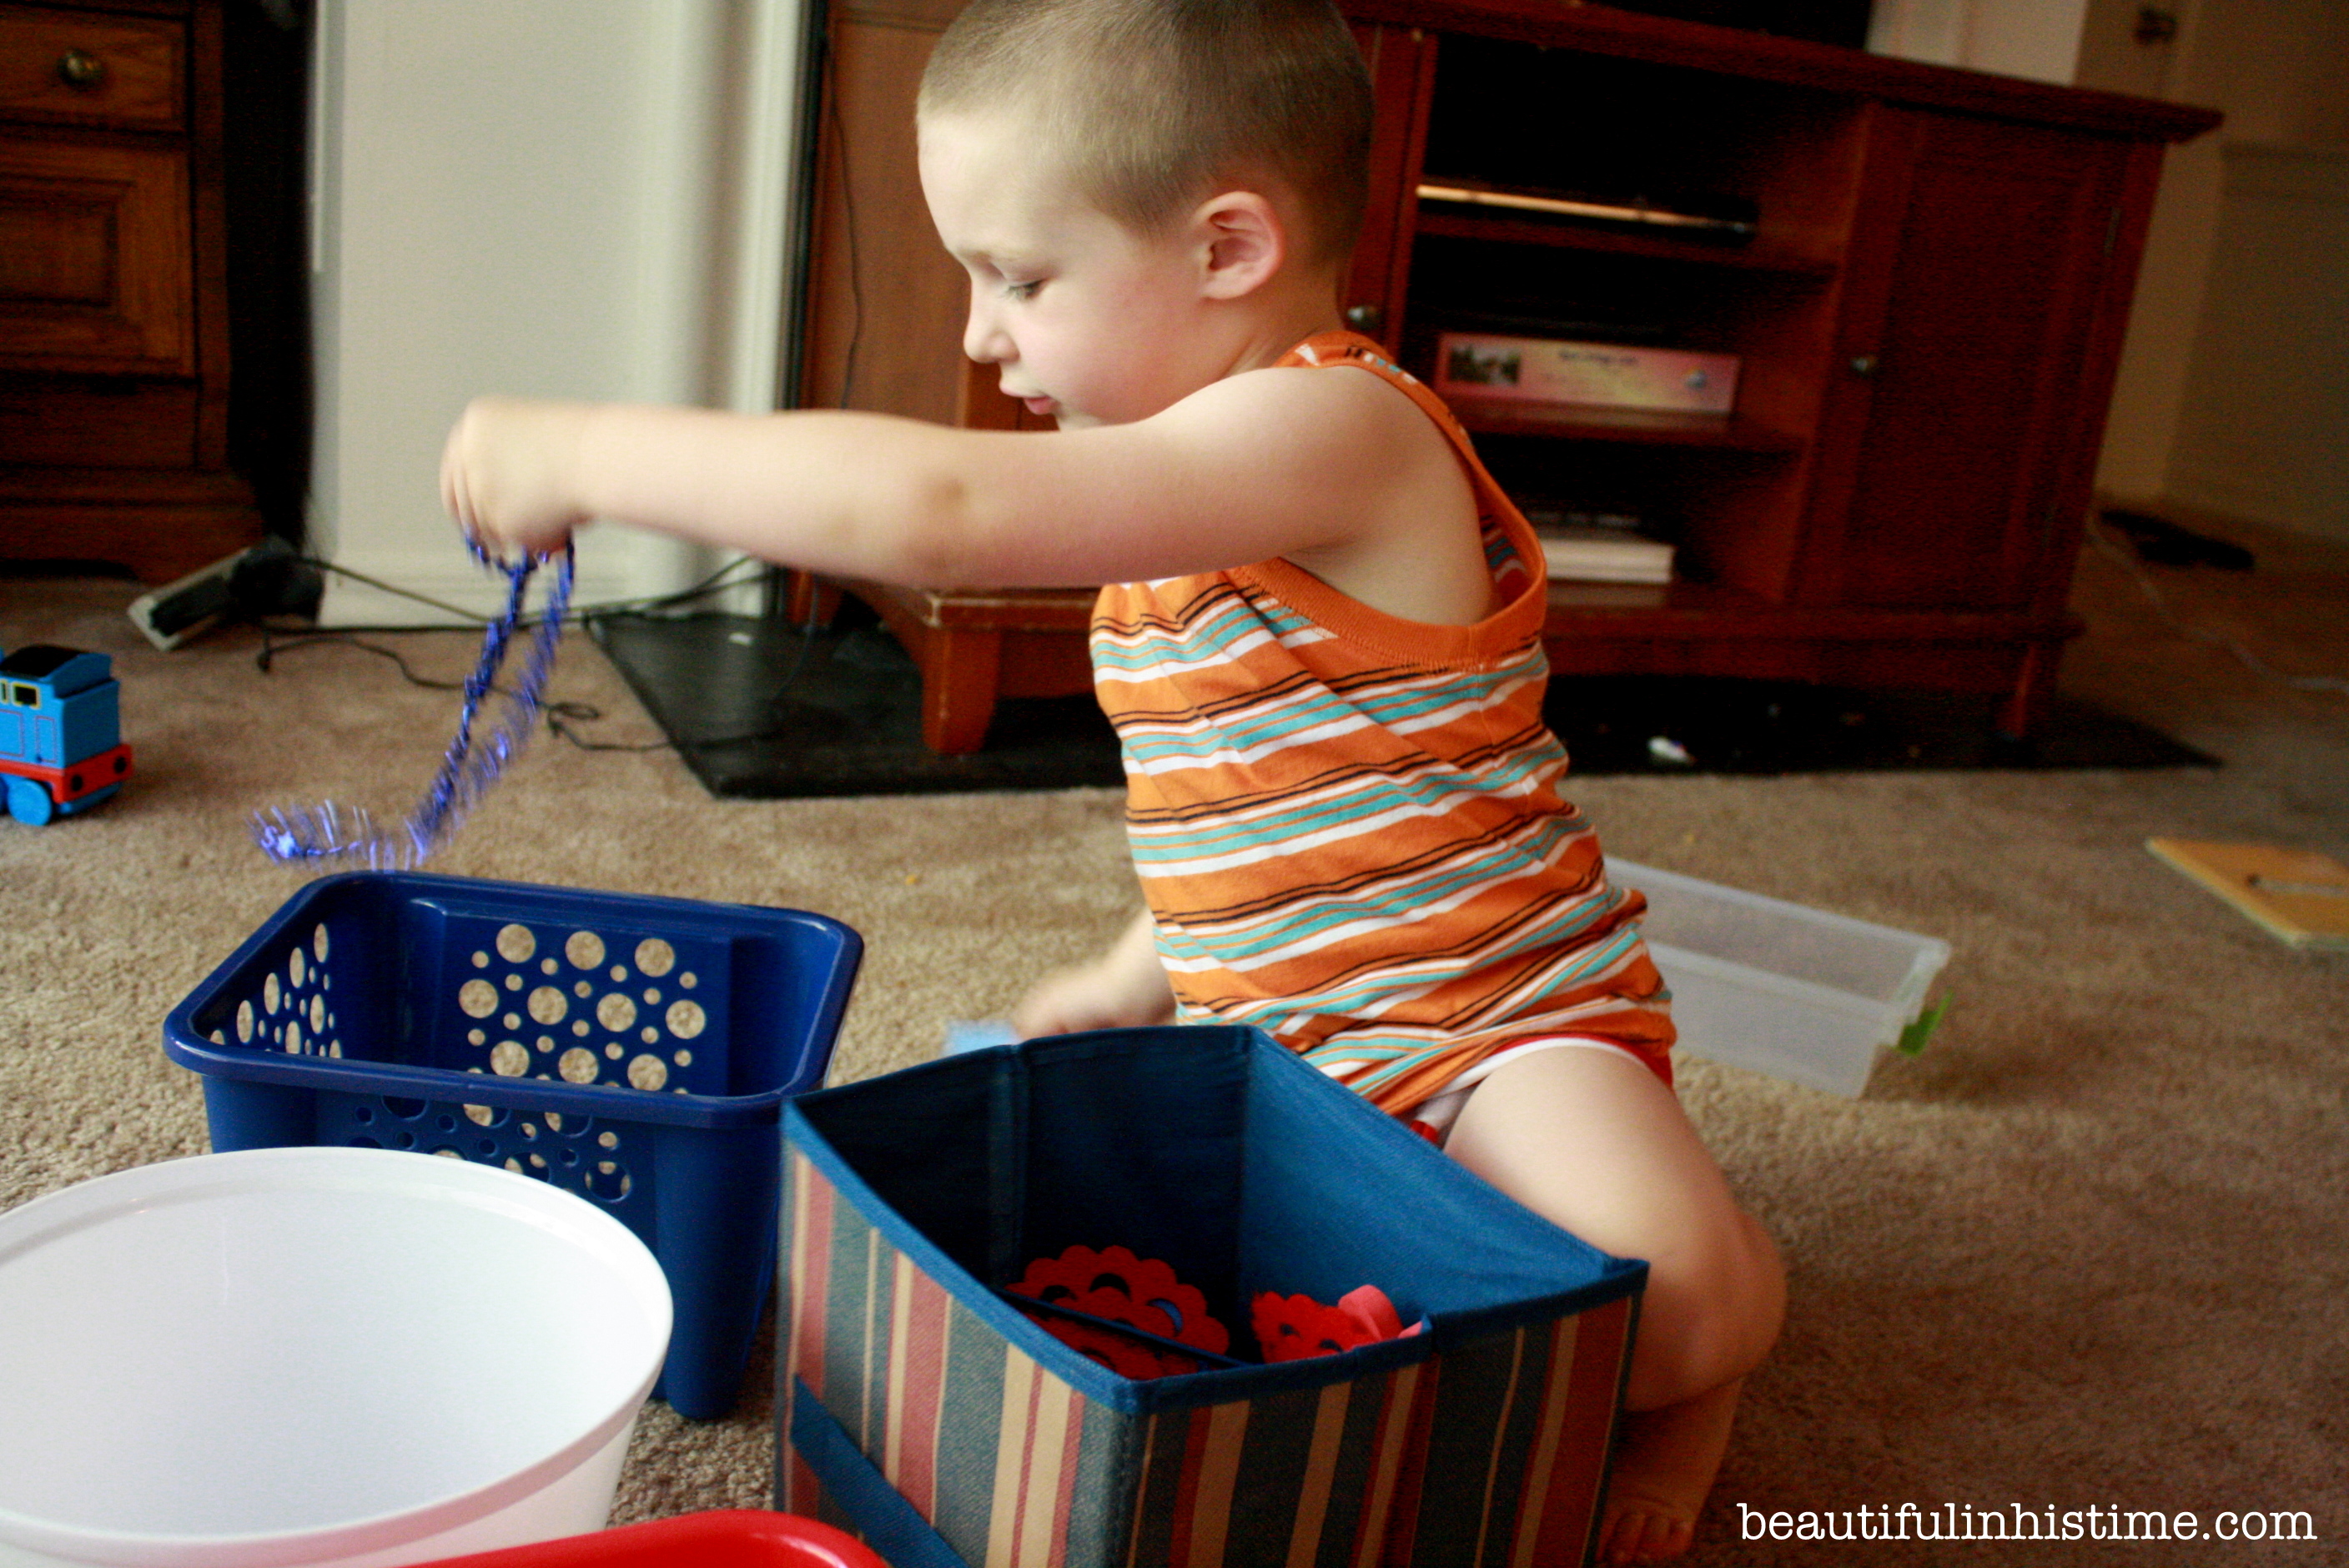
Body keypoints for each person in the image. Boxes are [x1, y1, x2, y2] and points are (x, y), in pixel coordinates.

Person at [440, 0, 1783, 1557]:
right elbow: (1261, 800)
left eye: (1016, 276)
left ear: (1227, 250)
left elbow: (943, 511)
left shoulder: (1339, 426)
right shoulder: (1182, 524)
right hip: (1274, 1052)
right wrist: (1136, 973)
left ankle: (1719, 1356)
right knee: (1248, 1343)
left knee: (1667, 1311)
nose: (977, 334)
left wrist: (594, 450)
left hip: (1489, 1023)